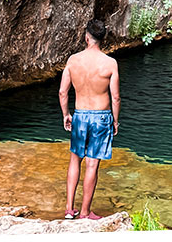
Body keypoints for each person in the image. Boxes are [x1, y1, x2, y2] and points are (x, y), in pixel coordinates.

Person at [58, 19, 120, 220]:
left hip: (80, 114)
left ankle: (69, 209)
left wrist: (66, 114)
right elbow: (116, 97)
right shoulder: (110, 63)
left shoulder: (73, 60)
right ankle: (85, 213)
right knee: (92, 164)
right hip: (101, 118)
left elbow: (62, 92)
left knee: (75, 159)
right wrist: (115, 121)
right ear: (103, 39)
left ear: (86, 37)